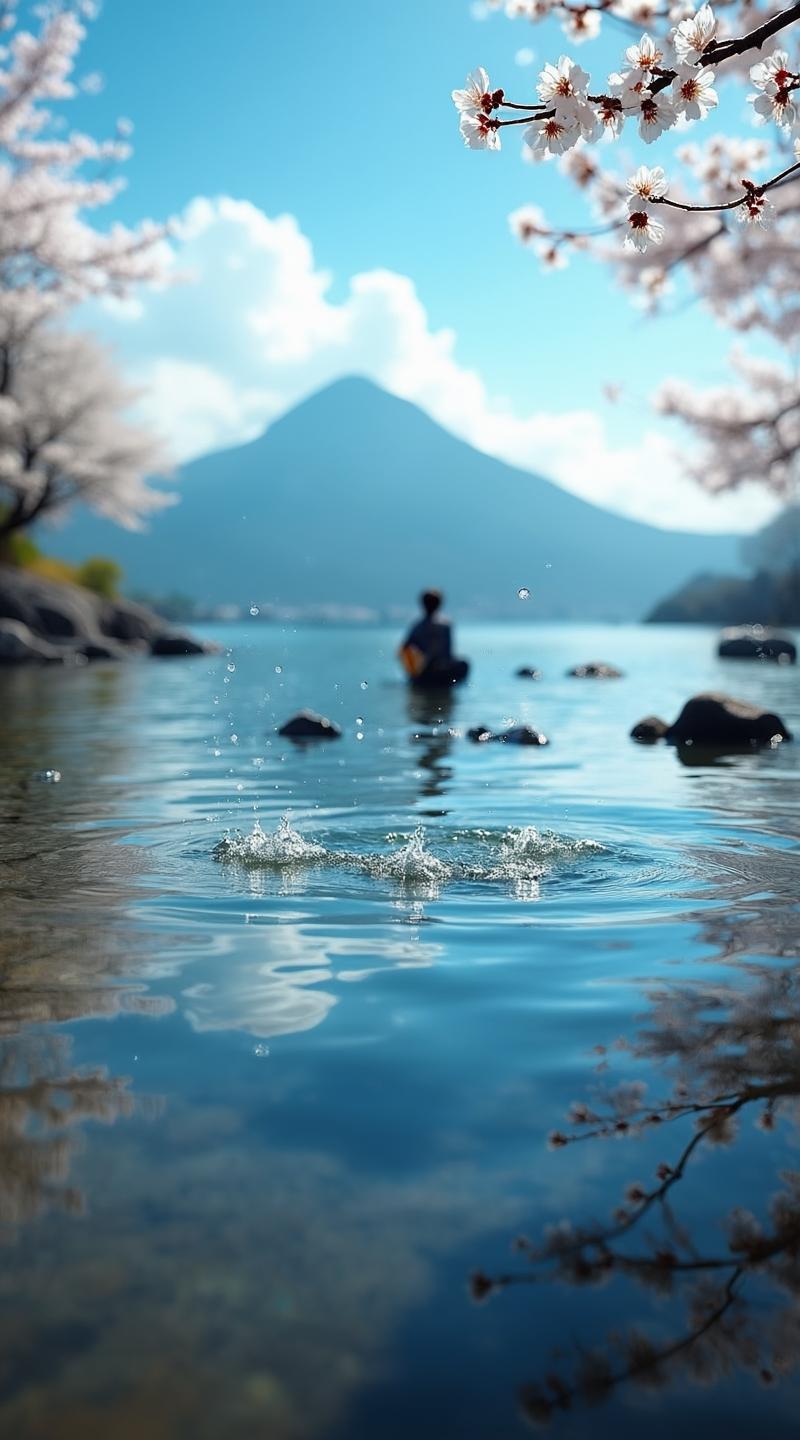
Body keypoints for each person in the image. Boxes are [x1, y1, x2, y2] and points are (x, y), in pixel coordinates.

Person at [398, 589, 469, 687]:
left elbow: (404, 649)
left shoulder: (418, 626)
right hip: (444, 670)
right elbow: (449, 653)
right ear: (439, 605)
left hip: (426, 671)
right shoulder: (446, 624)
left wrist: (412, 671)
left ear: (423, 605)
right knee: (464, 663)